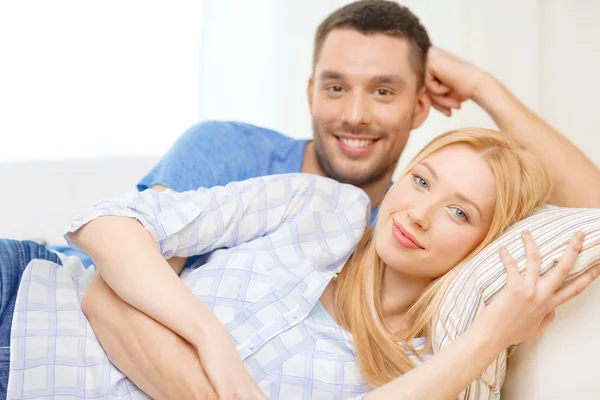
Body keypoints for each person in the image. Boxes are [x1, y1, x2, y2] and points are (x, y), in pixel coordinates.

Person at [3, 128, 600, 399]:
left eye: (459, 213)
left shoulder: (423, 369)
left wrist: (491, 336)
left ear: (484, 247)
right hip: (23, 300)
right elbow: (108, 226)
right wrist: (210, 339)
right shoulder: (325, 208)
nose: (418, 213)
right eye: (420, 180)